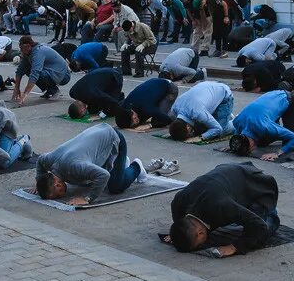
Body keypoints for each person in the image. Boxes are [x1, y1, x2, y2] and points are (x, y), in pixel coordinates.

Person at [34, 123, 165, 206]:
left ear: (57, 183)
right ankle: (117, 164)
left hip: (115, 139)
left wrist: (88, 198)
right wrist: (39, 182)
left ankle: (136, 167)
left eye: (57, 195)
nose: (60, 196)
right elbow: (39, 160)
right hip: (97, 131)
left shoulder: (73, 167)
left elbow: (103, 175)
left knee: (115, 187)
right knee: (86, 179)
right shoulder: (49, 160)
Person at [166, 162, 280, 257]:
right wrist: (177, 233)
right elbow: (178, 218)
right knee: (235, 215)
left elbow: (259, 226)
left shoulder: (222, 207)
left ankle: (272, 213)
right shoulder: (180, 201)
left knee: (263, 227)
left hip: (256, 184)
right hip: (225, 174)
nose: (202, 245)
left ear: (200, 233)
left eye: (199, 245)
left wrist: (235, 247)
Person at [229, 90, 294, 160]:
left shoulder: (265, 127)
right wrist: (234, 146)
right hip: (269, 101)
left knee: (290, 144)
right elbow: (237, 132)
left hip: (289, 100)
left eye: (249, 150)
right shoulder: (237, 121)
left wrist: (277, 154)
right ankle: (285, 129)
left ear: (251, 145)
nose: (252, 150)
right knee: (262, 143)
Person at [167, 80, 235, 141]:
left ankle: (238, 120)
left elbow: (217, 129)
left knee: (222, 130)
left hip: (225, 95)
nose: (191, 134)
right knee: (201, 128)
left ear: (188, 127)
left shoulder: (197, 113)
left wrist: (201, 137)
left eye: (190, 133)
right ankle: (225, 116)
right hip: (207, 86)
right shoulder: (174, 109)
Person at [12, 36, 71, 103]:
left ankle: (54, 90)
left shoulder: (38, 52)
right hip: (55, 72)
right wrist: (16, 88)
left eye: (21, 48)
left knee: (36, 73)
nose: (21, 51)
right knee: (27, 69)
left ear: (28, 46)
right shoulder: (28, 52)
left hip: (64, 75)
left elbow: (35, 73)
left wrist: (25, 94)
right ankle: (49, 90)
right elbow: (20, 70)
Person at [114, 77, 178, 130]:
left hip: (170, 88)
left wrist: (150, 125)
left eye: (133, 121)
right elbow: (119, 114)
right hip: (154, 84)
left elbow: (167, 120)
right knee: (144, 117)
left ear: (131, 112)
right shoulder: (125, 106)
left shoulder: (147, 108)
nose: (135, 122)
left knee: (159, 120)